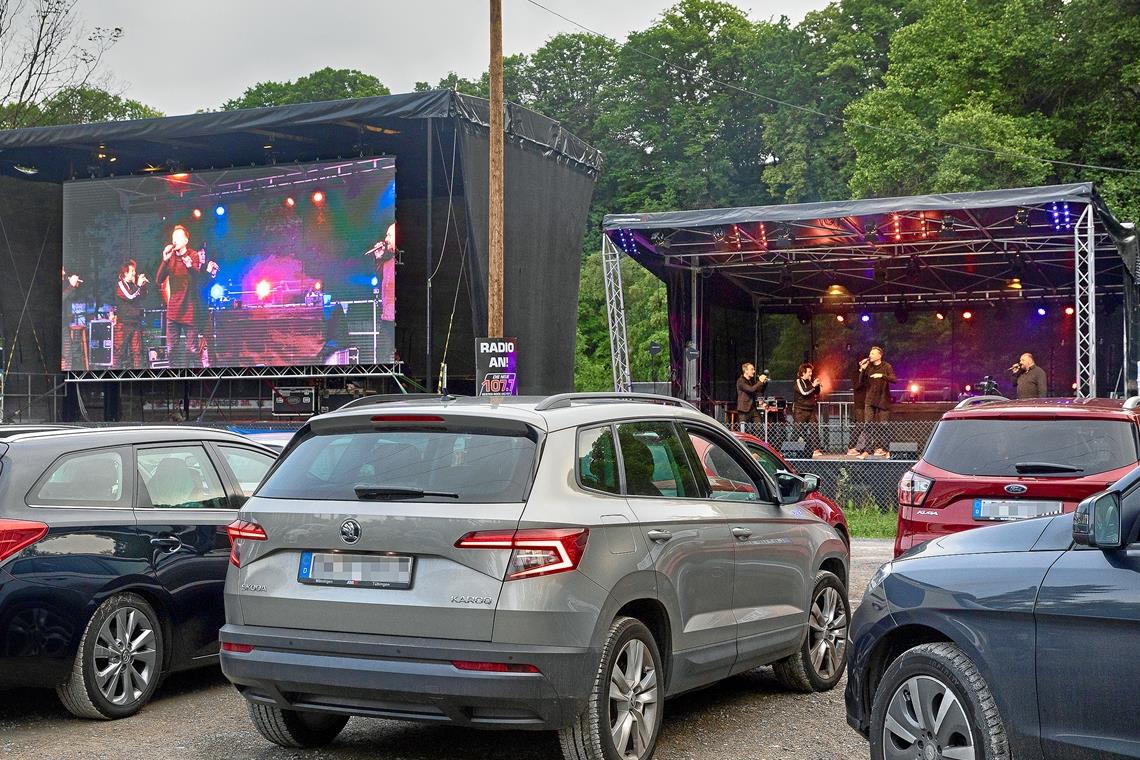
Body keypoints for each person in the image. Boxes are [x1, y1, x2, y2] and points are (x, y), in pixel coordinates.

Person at [156, 226, 218, 368]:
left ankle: (195, 380)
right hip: (173, 312)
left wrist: (190, 266)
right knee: (172, 351)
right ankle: (174, 380)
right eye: (173, 237)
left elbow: (198, 281)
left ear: (185, 240)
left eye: (178, 237)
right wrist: (164, 260)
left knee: (192, 350)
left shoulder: (193, 255)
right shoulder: (170, 258)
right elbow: (158, 280)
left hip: (189, 311)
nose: (174, 240)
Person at [856, 346, 896, 458]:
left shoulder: (886, 366)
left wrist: (882, 376)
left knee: (884, 426)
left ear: (879, 355)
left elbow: (894, 379)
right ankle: (867, 451)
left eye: (873, 353)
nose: (870, 355)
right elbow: (861, 383)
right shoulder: (868, 367)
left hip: (883, 400)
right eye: (870, 353)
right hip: (870, 399)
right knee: (867, 425)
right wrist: (863, 370)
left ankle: (887, 450)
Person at [113, 260, 149, 369]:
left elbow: (142, 296)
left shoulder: (133, 285)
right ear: (125, 273)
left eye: (134, 270)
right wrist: (137, 285)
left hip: (135, 322)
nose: (134, 273)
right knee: (119, 352)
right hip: (123, 324)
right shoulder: (120, 285)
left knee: (137, 352)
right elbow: (130, 296)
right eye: (132, 271)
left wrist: (142, 285)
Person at [793, 362, 823, 458]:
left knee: (814, 428)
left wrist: (817, 385)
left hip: (810, 409)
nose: (811, 373)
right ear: (803, 373)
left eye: (811, 371)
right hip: (800, 410)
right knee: (797, 430)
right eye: (809, 372)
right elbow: (804, 392)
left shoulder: (810, 382)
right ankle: (790, 449)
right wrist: (813, 385)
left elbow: (816, 392)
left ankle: (816, 449)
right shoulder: (799, 381)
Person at [61, 267, 83, 370]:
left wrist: (74, 287)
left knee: (68, 352)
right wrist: (71, 286)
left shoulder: (64, 283)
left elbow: (71, 297)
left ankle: (67, 373)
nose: (64, 272)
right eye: (62, 270)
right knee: (66, 351)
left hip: (64, 324)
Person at [735, 362, 769, 429]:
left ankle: (758, 439)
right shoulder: (740, 381)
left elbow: (759, 391)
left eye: (754, 369)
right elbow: (751, 389)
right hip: (744, 410)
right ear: (746, 371)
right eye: (752, 369)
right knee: (743, 430)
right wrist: (760, 382)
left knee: (759, 427)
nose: (754, 371)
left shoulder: (751, 381)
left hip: (752, 408)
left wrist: (764, 383)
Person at [847, 358, 868, 456]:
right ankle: (851, 446)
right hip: (859, 403)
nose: (867, 364)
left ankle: (865, 448)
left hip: (868, 402)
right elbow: (857, 385)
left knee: (868, 425)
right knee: (860, 424)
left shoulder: (868, 373)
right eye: (865, 362)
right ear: (860, 363)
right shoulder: (855, 373)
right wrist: (862, 371)